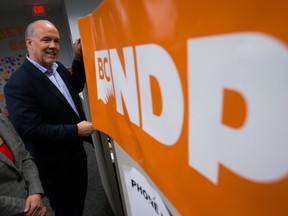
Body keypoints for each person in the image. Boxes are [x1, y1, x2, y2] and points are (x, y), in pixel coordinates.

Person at [4, 20, 95, 216]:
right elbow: (30, 129)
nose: (53, 46)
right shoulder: (18, 84)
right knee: (68, 210)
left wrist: (78, 59)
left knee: (77, 205)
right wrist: (75, 130)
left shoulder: (58, 67)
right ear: (29, 43)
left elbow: (74, 88)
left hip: (76, 158)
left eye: (56, 41)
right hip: (55, 169)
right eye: (46, 40)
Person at [0, 112, 50, 216]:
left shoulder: (1, 120)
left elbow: (24, 157)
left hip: (34, 202)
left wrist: (35, 193)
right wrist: (29, 208)